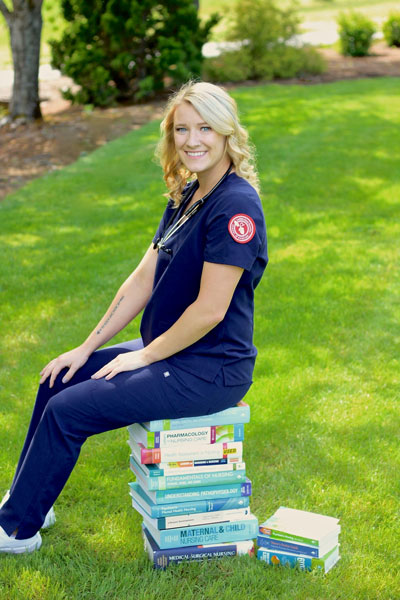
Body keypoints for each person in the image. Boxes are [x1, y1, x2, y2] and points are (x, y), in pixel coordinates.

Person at [0, 81, 268, 554]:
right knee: (57, 379)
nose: (192, 140)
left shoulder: (236, 206)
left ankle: (16, 531)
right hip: (174, 352)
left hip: (210, 368)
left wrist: (141, 356)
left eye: (205, 127)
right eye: (181, 129)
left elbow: (209, 311)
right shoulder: (188, 196)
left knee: (68, 412)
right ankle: (28, 501)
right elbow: (141, 281)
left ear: (227, 132)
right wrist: (85, 348)